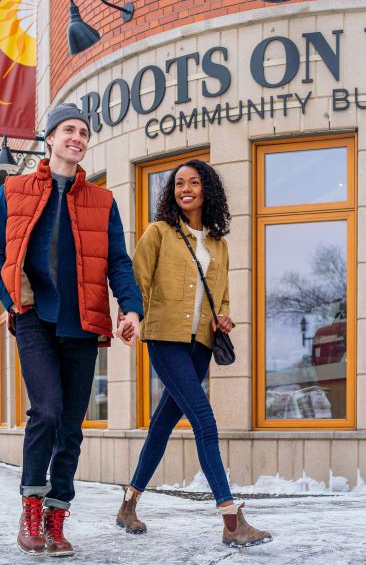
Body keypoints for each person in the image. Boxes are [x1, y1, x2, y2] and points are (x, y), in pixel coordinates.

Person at [0, 103, 143, 557]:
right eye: (68, 129)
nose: (77, 137)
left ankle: (56, 516)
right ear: (50, 138)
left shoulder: (102, 201)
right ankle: (31, 507)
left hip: (82, 324)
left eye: (83, 132)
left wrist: (131, 308)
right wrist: (12, 299)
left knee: (71, 426)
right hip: (34, 319)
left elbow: (118, 260)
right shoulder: (13, 191)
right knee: (47, 411)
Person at [116, 159, 272, 548]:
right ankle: (231, 519)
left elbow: (222, 296)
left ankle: (128, 504)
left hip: (201, 345)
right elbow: (137, 281)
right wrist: (131, 315)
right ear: (172, 193)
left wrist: (224, 317)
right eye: (179, 183)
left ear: (207, 190)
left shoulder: (219, 244)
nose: (186, 188)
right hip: (165, 338)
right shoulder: (158, 232)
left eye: (194, 182)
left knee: (162, 424)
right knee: (204, 420)